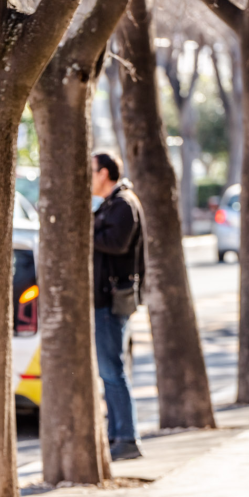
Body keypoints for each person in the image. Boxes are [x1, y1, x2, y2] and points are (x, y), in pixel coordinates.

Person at [91, 152, 146, 462]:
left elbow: (117, 243)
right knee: (109, 370)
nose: (89, 176)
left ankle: (126, 437)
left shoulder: (123, 204)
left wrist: (88, 230)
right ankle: (117, 434)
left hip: (111, 301)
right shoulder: (112, 204)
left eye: (92, 170)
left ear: (105, 173)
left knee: (113, 371)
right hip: (105, 299)